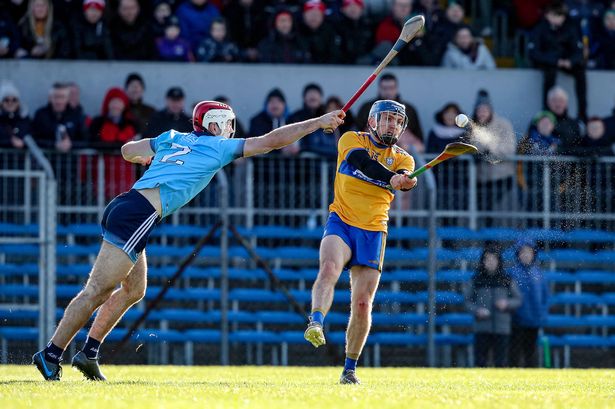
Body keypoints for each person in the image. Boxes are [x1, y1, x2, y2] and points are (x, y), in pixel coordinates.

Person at [32, 101, 345, 381]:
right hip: (138, 215)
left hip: (126, 205)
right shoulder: (218, 148)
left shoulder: (173, 137)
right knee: (97, 290)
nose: (232, 130)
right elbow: (269, 142)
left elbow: (128, 150)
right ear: (215, 125)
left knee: (134, 290)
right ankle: (50, 354)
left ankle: (89, 352)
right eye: (229, 124)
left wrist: (147, 159)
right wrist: (317, 122)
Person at [304, 100, 417, 384]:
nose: (392, 125)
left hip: (373, 231)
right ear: (372, 122)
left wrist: (402, 181)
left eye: (397, 121)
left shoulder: (404, 160)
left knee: (363, 303)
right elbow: (362, 163)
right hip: (341, 220)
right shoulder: (350, 139)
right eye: (387, 119)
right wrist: (391, 179)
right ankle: (316, 321)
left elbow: (399, 177)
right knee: (329, 268)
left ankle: (349, 369)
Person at [464, 243, 522, 368]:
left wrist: (507, 303)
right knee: (480, 362)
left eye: (493, 259)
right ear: (483, 261)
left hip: (502, 328)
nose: (490, 262)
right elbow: (467, 301)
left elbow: (518, 299)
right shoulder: (476, 280)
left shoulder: (507, 279)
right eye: (487, 259)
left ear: (498, 261)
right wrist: (476, 310)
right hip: (481, 327)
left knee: (501, 363)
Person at [528, 1, 587, 122]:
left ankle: (582, 114)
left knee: (580, 73)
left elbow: (578, 50)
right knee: (550, 74)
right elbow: (534, 53)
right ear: (547, 15)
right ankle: (547, 112)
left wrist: (570, 61)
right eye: (555, 15)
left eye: (560, 16)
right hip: (547, 63)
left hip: (565, 62)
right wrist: (555, 61)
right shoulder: (539, 28)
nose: (559, 19)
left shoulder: (570, 28)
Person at [471, 90, 517, 226]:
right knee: (484, 212)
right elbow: (471, 148)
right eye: (479, 110)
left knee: (495, 211)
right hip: (481, 178)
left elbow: (510, 149)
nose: (482, 113)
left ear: (491, 110)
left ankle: (495, 243)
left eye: (485, 109)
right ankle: (488, 243)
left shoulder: (504, 124)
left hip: (501, 177)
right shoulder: (473, 127)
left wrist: (490, 151)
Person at [89, 87, 139, 199]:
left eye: (119, 102)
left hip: (126, 176)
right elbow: (94, 143)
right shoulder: (98, 123)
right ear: (107, 104)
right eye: (113, 102)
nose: (116, 106)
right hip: (103, 174)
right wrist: (122, 145)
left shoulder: (131, 123)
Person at [509, 238, 549, 368]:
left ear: (534, 254)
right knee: (514, 353)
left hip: (534, 320)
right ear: (518, 254)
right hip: (516, 320)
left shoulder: (538, 273)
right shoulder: (512, 273)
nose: (526, 255)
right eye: (523, 252)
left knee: (531, 353)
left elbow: (545, 296)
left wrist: (541, 314)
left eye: (529, 252)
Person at [356, 73, 423, 144]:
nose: (388, 92)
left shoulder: (409, 110)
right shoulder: (367, 108)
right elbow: (357, 134)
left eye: (399, 122)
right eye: (385, 88)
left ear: (396, 88)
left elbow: (420, 145)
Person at [31, 82, 88, 152]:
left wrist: (71, 145)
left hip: (69, 161)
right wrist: (54, 145)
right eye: (55, 97)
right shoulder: (41, 115)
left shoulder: (76, 115)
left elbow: (86, 141)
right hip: (44, 160)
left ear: (68, 98)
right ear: (50, 98)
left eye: (62, 97)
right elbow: (33, 139)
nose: (59, 101)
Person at [288, 83, 335, 157]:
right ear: (304, 98)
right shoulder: (295, 117)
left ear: (321, 98)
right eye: (309, 93)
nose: (312, 95)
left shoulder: (328, 117)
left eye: (315, 93)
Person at [0, 81, 31, 149]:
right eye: (6, 100)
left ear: (18, 102)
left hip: (22, 159)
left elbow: (33, 138)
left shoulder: (25, 119)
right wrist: (10, 142)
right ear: (1, 103)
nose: (10, 103)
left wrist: (23, 143)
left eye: (14, 100)